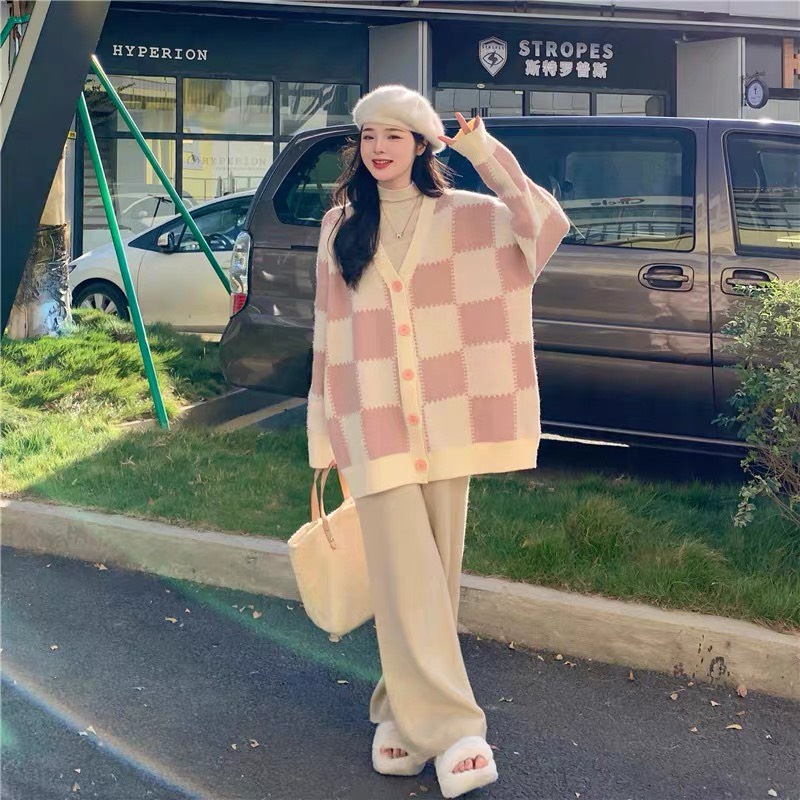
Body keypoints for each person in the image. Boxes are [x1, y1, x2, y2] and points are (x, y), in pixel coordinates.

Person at [307, 84, 570, 799]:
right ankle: (455, 730)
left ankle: (398, 711)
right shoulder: (340, 226)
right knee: (405, 572)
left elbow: (543, 225)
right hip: (370, 422)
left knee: (434, 575)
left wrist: (483, 151)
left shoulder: (467, 217)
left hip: (450, 421)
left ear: (422, 145)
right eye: (369, 136)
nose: (379, 148)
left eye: (395, 135)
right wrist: (322, 431)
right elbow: (327, 333)